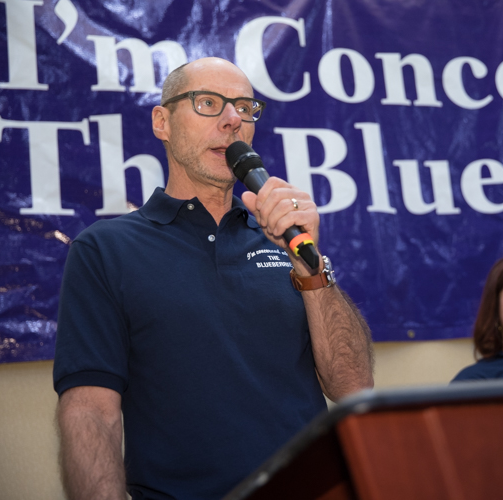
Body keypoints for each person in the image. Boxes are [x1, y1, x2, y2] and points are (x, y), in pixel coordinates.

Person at [53, 57, 374, 500]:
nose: (232, 120)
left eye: (245, 108)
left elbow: (353, 385)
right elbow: (90, 411)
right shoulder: (105, 249)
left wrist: (311, 268)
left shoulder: (284, 237)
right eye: (208, 103)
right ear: (162, 122)